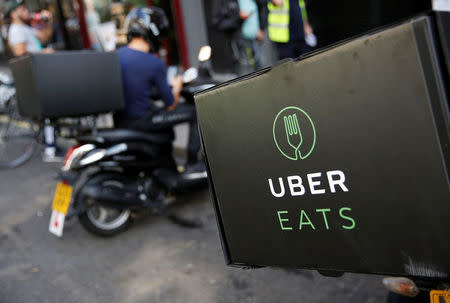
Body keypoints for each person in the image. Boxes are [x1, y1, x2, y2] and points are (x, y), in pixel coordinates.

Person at [115, 7, 200, 165]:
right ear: (153, 32)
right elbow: (170, 104)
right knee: (196, 111)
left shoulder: (116, 56)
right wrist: (177, 86)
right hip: (143, 121)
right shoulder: (154, 63)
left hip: (122, 120)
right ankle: (194, 165)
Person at [235, 0, 267, 75]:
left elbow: (263, 9)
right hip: (240, 39)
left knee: (261, 66)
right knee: (245, 69)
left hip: (255, 38)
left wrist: (261, 29)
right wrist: (238, 17)